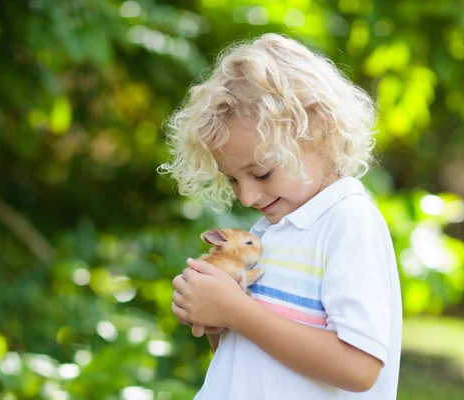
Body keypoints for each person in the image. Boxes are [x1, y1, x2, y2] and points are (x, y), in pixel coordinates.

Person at [158, 33, 402, 399]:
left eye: (261, 173)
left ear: (318, 130)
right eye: (232, 179)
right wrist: (215, 320)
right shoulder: (271, 231)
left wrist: (237, 311)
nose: (247, 195)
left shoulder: (348, 222)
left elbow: (359, 367)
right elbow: (248, 363)